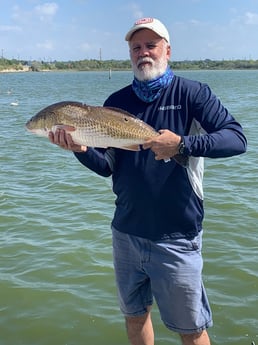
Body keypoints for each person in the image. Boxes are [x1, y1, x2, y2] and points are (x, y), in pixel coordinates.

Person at [49, 17, 247, 345]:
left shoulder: (193, 94)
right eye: (136, 47)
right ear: (130, 54)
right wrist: (81, 149)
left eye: (151, 45)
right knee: (134, 316)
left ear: (167, 51)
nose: (144, 52)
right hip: (126, 232)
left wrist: (183, 144)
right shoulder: (116, 102)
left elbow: (236, 139)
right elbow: (107, 167)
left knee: (191, 328)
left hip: (177, 236)